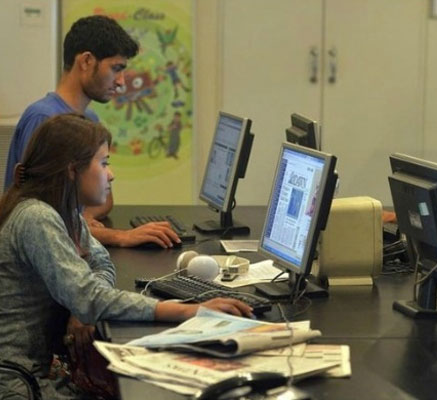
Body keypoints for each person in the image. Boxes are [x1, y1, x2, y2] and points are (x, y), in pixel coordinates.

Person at [0, 114, 253, 398]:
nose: (111, 174)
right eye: (103, 163)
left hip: (33, 376)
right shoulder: (37, 218)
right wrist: (189, 310)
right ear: (72, 170)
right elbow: (90, 298)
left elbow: (99, 266)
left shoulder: (65, 212)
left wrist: (79, 302)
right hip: (18, 384)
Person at [4, 15, 179, 249]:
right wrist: (121, 236)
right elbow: (41, 223)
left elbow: (104, 200)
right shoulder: (45, 119)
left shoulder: (90, 120)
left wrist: (82, 216)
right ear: (86, 61)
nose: (121, 82)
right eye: (115, 69)